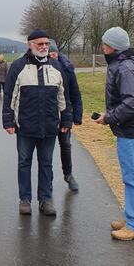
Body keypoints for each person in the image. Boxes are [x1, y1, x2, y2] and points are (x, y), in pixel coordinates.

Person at [2, 29, 72, 216]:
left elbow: (63, 96)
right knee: (24, 162)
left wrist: (66, 119)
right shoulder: (18, 66)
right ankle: (25, 199)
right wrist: (8, 120)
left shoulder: (57, 67)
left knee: (46, 163)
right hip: (25, 125)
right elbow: (10, 95)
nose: (44, 47)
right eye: (40, 44)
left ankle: (46, 200)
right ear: (30, 44)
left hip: (50, 125)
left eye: (46, 44)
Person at [94, 27, 134, 241]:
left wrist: (109, 117)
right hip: (129, 127)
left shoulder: (125, 68)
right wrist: (110, 114)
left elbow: (133, 102)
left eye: (104, 44)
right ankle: (132, 217)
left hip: (132, 129)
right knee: (130, 177)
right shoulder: (124, 64)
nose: (102, 47)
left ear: (112, 47)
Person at [48, 40, 83, 191]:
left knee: (66, 145)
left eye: (54, 52)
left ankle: (68, 175)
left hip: (65, 114)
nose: (52, 55)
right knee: (46, 150)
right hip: (48, 115)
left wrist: (77, 115)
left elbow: (75, 93)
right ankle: (47, 179)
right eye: (49, 53)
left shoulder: (67, 69)